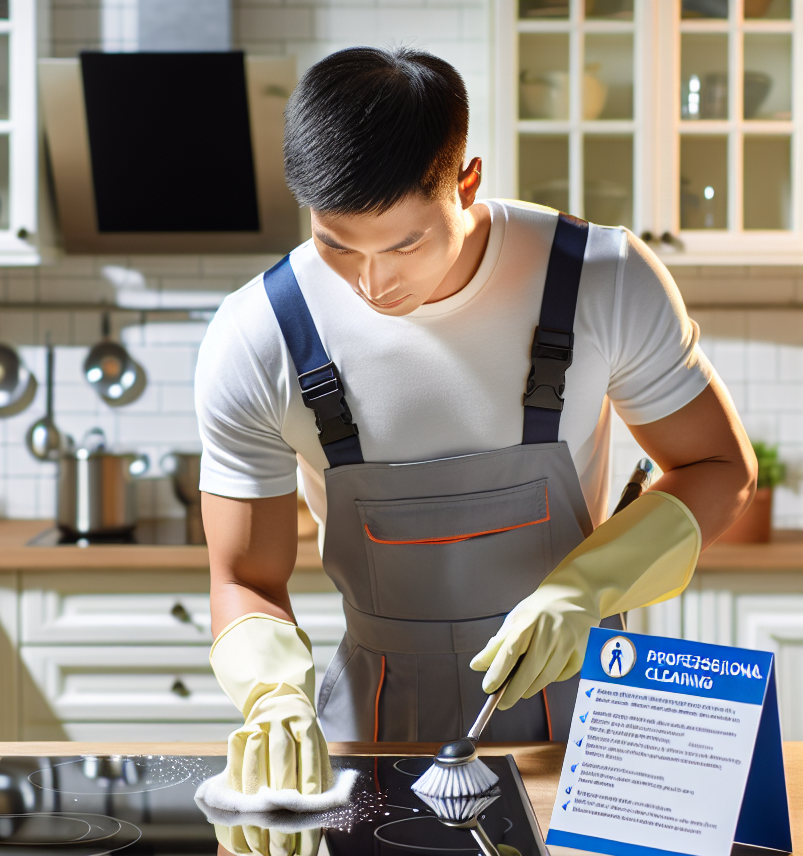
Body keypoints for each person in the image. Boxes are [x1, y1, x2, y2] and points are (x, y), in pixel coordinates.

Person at [195, 46, 757, 796]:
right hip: (370, 730)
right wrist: (271, 694)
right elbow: (244, 576)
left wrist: (585, 589)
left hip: (585, 729)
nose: (372, 283)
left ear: (467, 183)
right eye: (336, 243)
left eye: (406, 243)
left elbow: (721, 470)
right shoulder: (257, 334)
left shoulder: (602, 278)